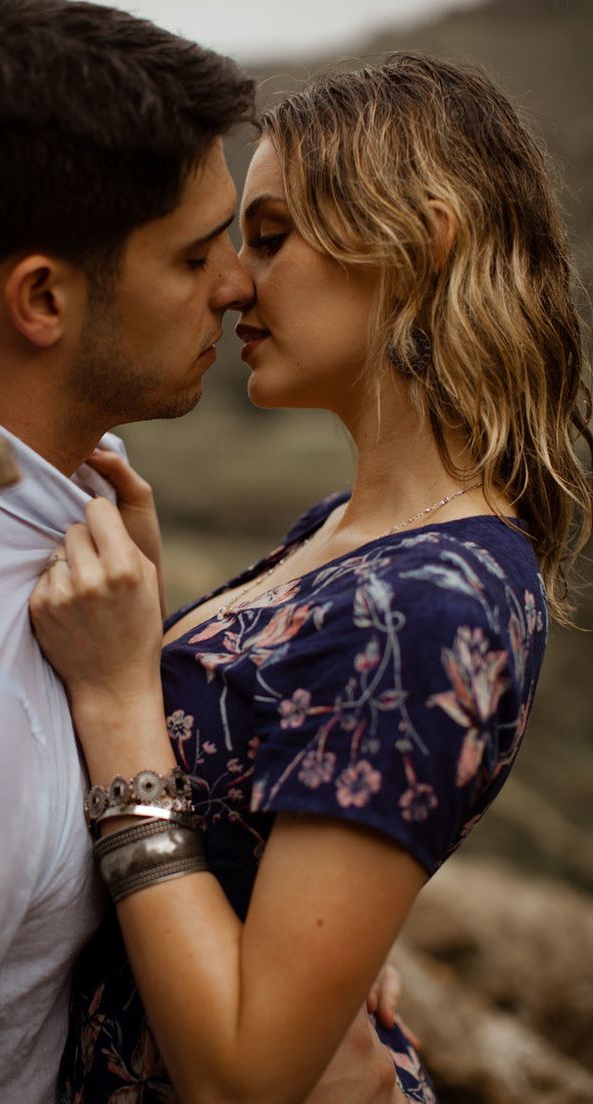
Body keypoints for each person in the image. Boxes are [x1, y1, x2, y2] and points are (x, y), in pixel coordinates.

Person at [30, 53, 593, 1104]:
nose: (234, 280)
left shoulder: (430, 601)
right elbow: (253, 801)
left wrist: (116, 703)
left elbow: (245, 1074)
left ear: (423, 243)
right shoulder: (346, 534)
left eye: (273, 237)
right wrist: (153, 619)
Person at [0, 1, 406, 1101]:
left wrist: (284, 921)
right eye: (196, 254)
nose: (237, 286)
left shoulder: (80, 498)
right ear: (43, 299)